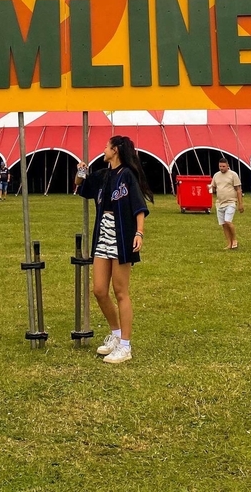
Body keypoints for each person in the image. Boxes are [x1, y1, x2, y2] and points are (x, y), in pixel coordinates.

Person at [74, 135, 153, 365]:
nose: (104, 149)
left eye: (107, 146)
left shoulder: (127, 175)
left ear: (115, 150)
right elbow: (82, 187)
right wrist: (81, 172)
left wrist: (139, 232)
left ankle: (126, 346)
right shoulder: (103, 175)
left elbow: (139, 206)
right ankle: (116, 334)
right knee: (99, 289)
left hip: (122, 234)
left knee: (120, 291)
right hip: (102, 235)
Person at [210, 158, 244, 249]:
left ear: (228, 166)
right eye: (220, 166)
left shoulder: (233, 175)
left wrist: (240, 204)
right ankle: (229, 243)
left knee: (228, 221)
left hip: (231, 202)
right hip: (219, 203)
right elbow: (213, 188)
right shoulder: (216, 175)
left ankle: (235, 240)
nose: (221, 168)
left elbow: (238, 190)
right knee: (223, 224)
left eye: (223, 166)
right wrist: (210, 188)